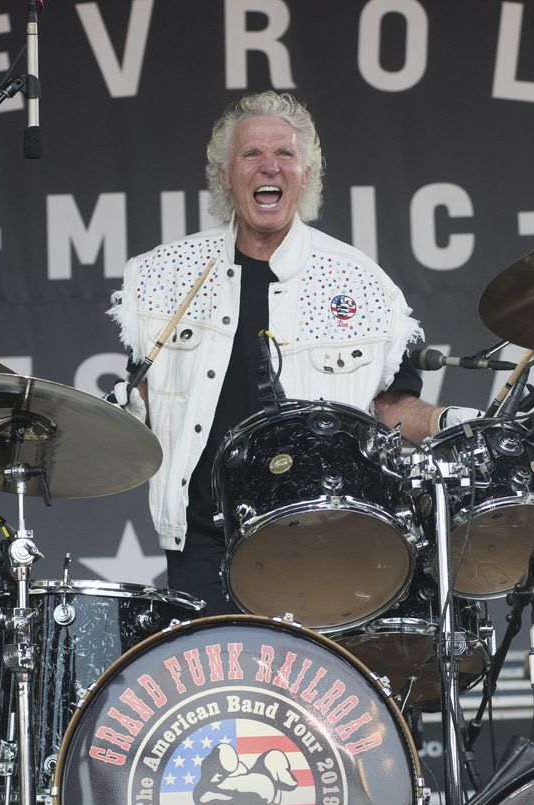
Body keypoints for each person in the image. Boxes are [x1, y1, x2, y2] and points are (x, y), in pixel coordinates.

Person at [108, 91, 480, 614]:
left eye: (284, 155)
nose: (269, 167)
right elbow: (143, 396)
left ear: (306, 175)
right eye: (251, 155)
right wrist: (100, 422)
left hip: (322, 541)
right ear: (224, 175)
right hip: (202, 542)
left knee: (308, 694)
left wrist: (450, 421)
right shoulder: (164, 276)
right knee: (218, 692)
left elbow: (391, 408)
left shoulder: (363, 283)